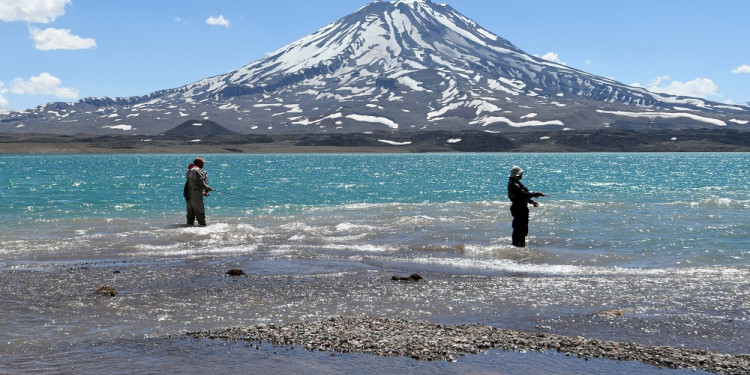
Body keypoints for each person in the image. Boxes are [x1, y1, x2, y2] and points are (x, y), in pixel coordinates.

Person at [507, 166, 546, 247]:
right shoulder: (514, 184)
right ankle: (518, 244)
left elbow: (521, 196)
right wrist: (536, 194)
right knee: (520, 228)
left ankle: (518, 245)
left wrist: (531, 202)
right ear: (518, 175)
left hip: (519, 207)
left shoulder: (514, 182)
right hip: (519, 208)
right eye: (521, 174)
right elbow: (523, 194)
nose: (522, 175)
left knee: (520, 227)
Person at [184, 157, 213, 226]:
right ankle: (202, 226)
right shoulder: (198, 170)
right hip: (196, 195)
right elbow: (201, 183)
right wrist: (208, 188)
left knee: (190, 213)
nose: (203, 164)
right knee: (199, 211)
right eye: (203, 163)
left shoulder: (189, 170)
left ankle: (189, 227)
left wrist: (203, 193)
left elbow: (190, 184)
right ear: (200, 164)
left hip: (188, 194)